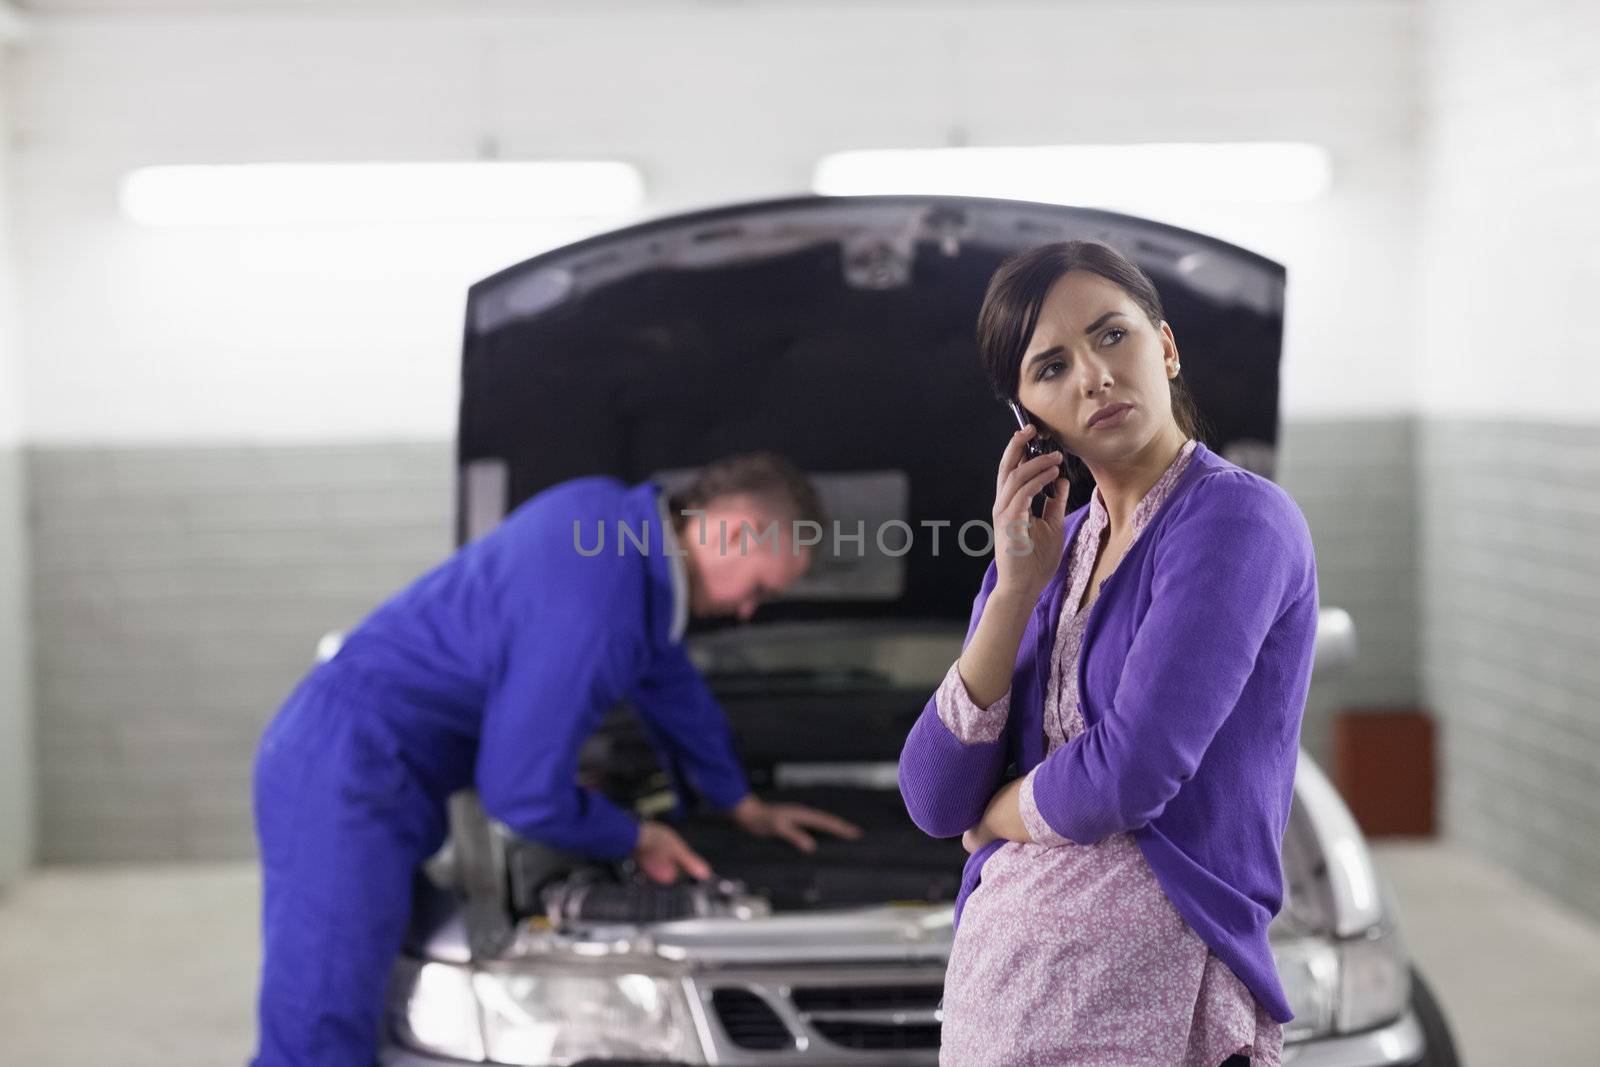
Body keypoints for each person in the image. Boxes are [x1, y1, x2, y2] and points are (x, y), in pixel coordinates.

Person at [250, 451, 861, 1066]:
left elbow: (674, 693)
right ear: (730, 531)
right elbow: (522, 793)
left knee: (359, 997)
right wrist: (633, 835)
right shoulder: (600, 604)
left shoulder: (612, 529)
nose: (749, 610)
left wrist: (741, 805)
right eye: (758, 589)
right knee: (318, 1028)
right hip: (345, 767)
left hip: (372, 765)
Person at [898, 240, 1318, 1067]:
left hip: (1153, 1018)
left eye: (1112, 335)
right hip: (1006, 1010)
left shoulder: (1236, 521)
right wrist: (1016, 587)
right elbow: (933, 796)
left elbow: (1130, 771)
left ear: (1164, 345)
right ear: (1026, 416)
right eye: (1051, 366)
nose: (1093, 376)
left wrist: (999, 814)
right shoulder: (1046, 552)